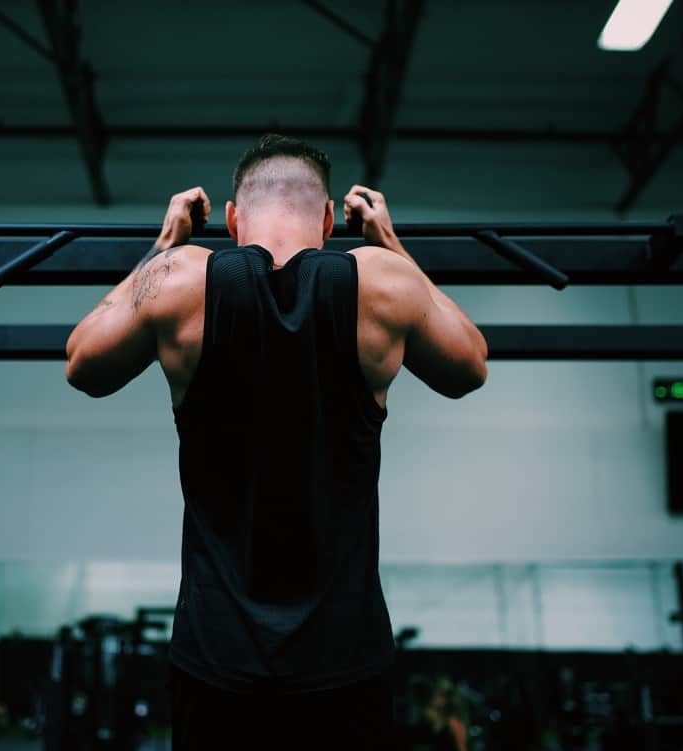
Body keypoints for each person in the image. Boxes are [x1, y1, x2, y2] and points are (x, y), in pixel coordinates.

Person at [65, 134, 488, 750]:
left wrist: (165, 242)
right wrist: (391, 244)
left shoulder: (179, 277)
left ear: (233, 218)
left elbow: (82, 363)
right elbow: (471, 365)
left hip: (217, 660)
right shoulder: (384, 282)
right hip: (345, 660)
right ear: (328, 219)